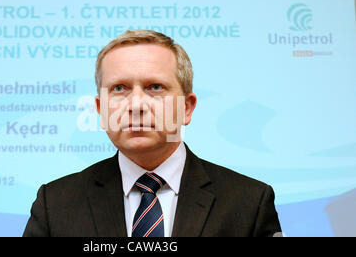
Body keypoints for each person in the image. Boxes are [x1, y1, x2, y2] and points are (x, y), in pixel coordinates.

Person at [23, 30, 282, 237]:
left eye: (155, 87)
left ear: (186, 108)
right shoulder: (55, 204)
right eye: (119, 88)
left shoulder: (249, 203)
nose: (136, 105)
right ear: (101, 110)